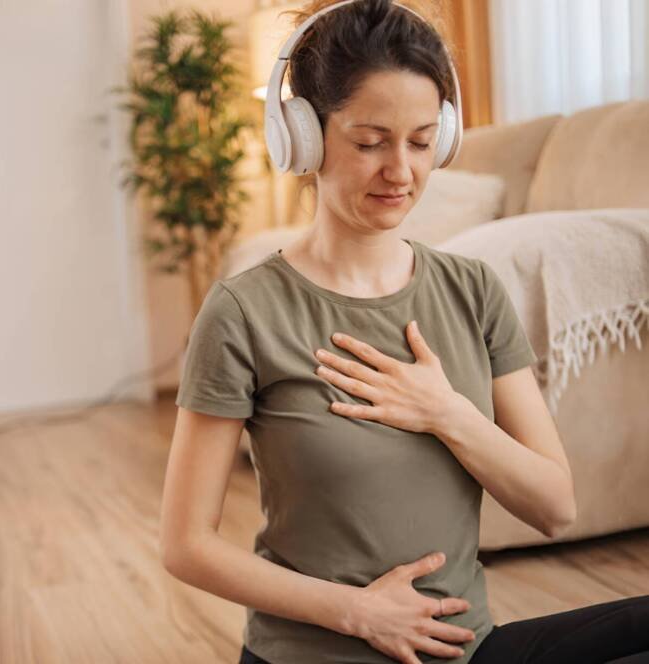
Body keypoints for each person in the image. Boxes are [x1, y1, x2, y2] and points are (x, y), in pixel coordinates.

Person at [158, 1, 649, 662]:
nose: (401, 171)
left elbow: (556, 508)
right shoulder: (244, 312)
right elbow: (186, 544)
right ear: (301, 136)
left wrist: (447, 413)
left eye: (421, 141)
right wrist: (357, 612)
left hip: (462, 650)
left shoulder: (473, 290)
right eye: (370, 142)